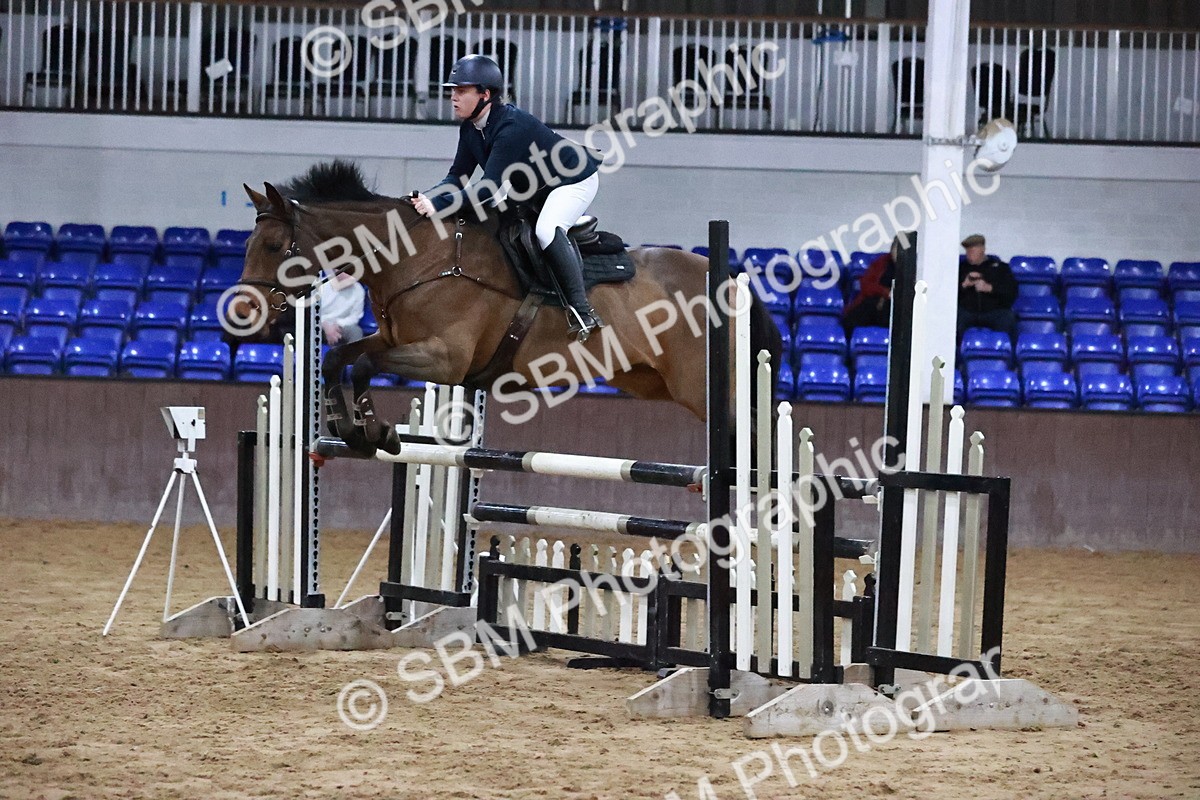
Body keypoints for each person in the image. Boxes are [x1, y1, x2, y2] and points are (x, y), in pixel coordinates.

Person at [411, 55, 604, 341]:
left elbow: (488, 188)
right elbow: (457, 177)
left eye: (461, 91)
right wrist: (425, 199)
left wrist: (438, 205)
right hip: (534, 188)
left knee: (546, 230)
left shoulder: (511, 126)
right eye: (452, 91)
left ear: (485, 95)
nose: (453, 97)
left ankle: (583, 312)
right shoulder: (470, 128)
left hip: (573, 179)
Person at [957, 233, 1017, 340]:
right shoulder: (961, 268)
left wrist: (990, 288)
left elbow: (1011, 291)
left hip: (993, 311)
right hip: (968, 311)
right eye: (967, 251)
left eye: (972, 251)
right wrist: (964, 284)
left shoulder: (1000, 268)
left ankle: (1001, 350)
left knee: (1007, 318)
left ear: (982, 249)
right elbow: (948, 293)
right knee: (955, 318)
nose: (969, 254)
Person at [842, 238, 899, 333]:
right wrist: (886, 292)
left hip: (893, 309)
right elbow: (866, 286)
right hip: (872, 304)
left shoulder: (909, 269)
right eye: (896, 249)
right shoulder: (881, 263)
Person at [319, 271, 366, 345]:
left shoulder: (359, 290)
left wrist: (337, 325)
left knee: (356, 331)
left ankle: (353, 356)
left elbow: (355, 317)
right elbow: (311, 313)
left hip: (340, 326)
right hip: (319, 325)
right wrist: (326, 325)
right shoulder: (322, 286)